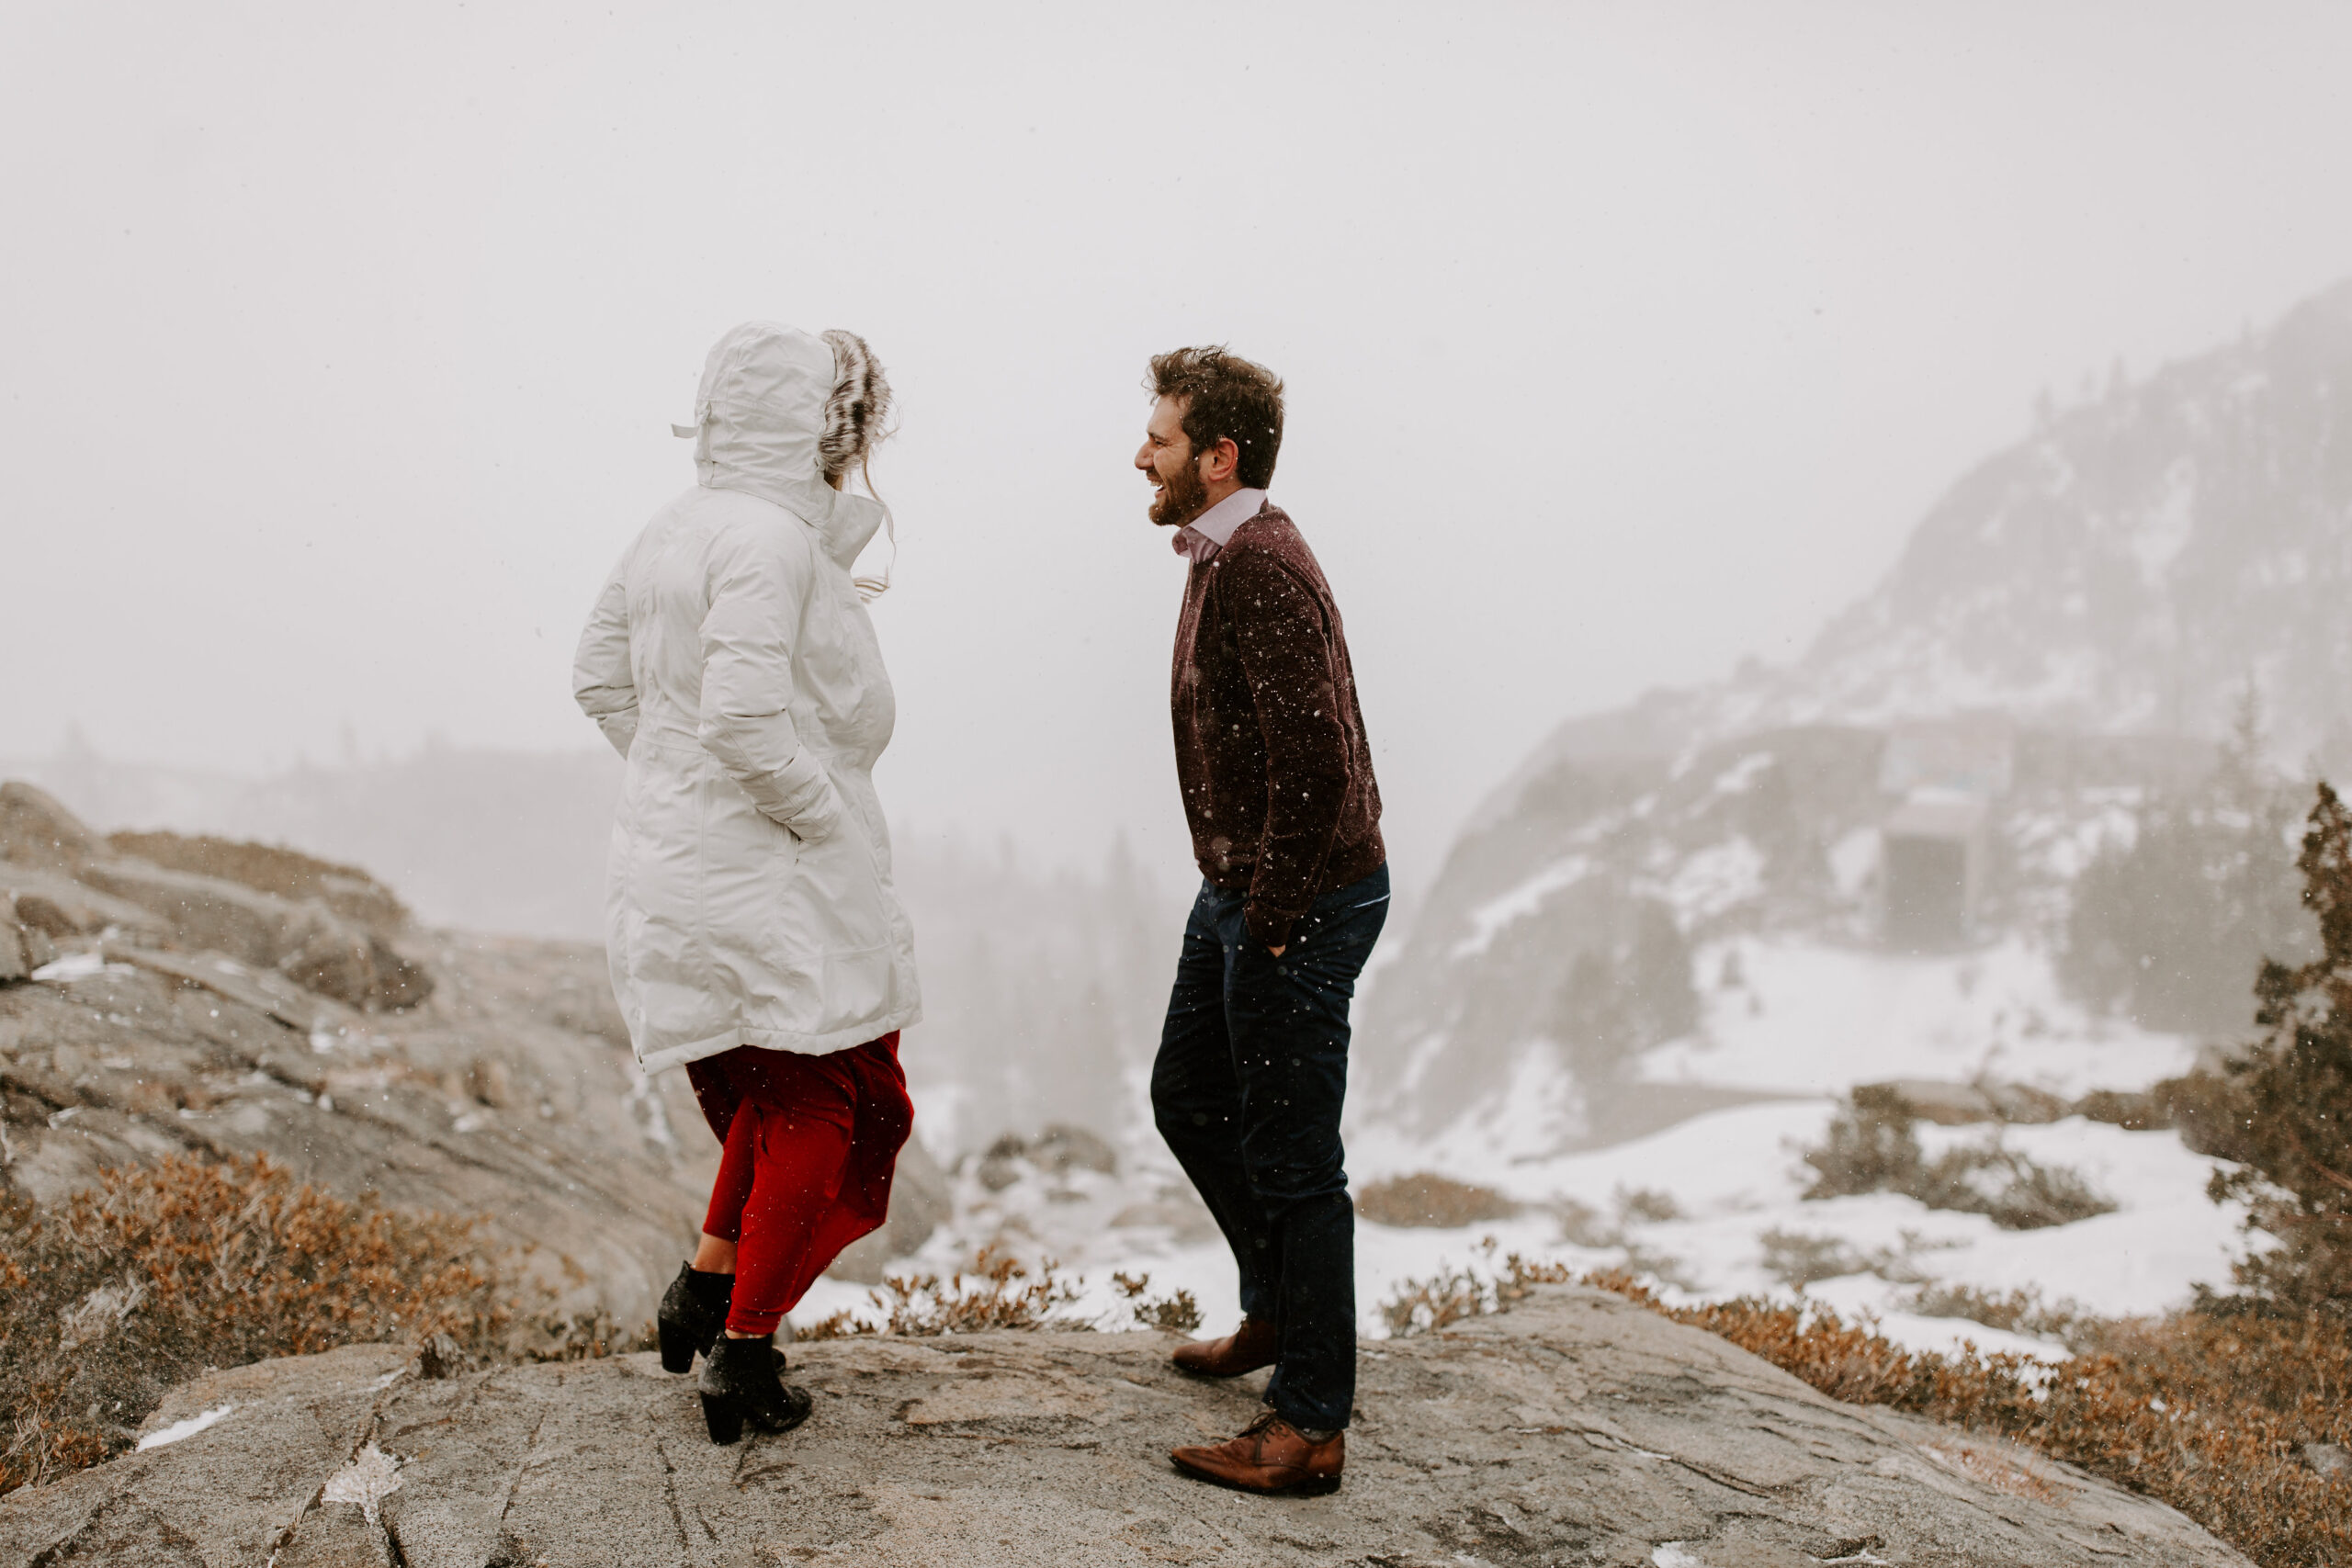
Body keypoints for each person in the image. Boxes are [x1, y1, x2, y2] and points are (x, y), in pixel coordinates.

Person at [572, 321, 921, 1446]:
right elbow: (741, 719)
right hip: (767, 875)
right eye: (851, 429)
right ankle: (746, 1354)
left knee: (785, 1093)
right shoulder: (767, 541)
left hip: (686, 868)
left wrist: (679, 797)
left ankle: (705, 1281)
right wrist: (813, 825)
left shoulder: (676, 528)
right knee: (832, 1109)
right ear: (820, 427)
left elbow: (599, 680)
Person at [1137, 346, 1389, 1495]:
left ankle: (1308, 1428)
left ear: (1219, 455)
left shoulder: (1257, 568)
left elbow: (1320, 766)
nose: (1141, 451)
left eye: (1163, 435)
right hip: (1240, 887)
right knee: (1188, 1095)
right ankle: (1278, 1310)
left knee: (1294, 1160)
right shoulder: (1217, 551)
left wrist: (1277, 919)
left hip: (1298, 896)